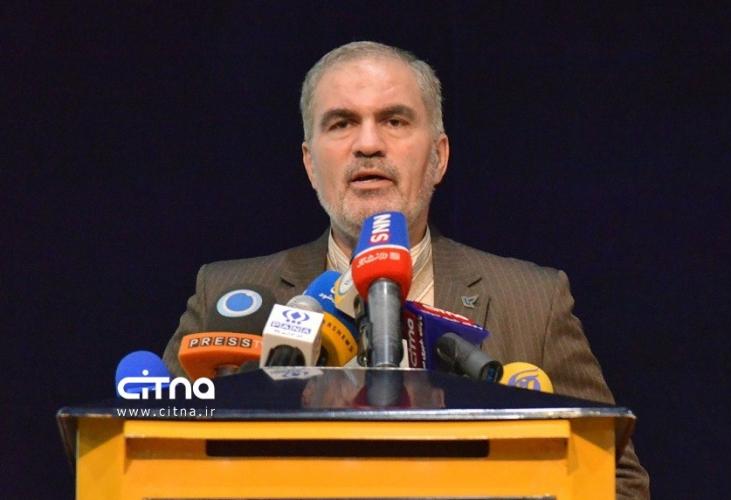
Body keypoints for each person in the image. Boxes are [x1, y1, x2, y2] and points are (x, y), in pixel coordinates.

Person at [163, 41, 650, 498]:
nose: (368, 144)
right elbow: (152, 458)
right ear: (310, 164)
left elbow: (615, 478)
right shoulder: (226, 295)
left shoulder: (534, 301)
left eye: (394, 121)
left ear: (438, 157)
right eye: (341, 123)